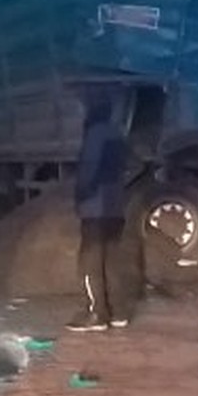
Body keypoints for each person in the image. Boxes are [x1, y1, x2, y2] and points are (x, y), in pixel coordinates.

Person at [67, 84, 132, 332]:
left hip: (95, 207)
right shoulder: (117, 133)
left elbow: (89, 169)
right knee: (112, 259)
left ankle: (96, 314)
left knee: (89, 261)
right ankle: (118, 313)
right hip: (116, 205)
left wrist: (80, 195)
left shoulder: (95, 133)